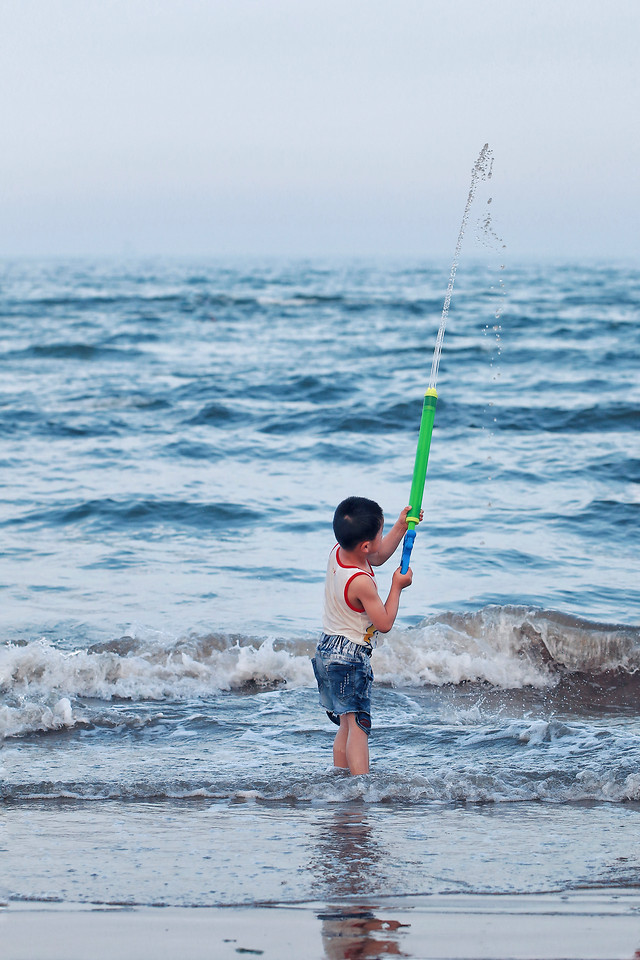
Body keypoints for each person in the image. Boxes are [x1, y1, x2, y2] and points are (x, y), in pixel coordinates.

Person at [312, 496, 419, 776]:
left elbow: (378, 555)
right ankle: (360, 788)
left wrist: (400, 526)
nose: (382, 539)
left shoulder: (340, 551)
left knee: (347, 724)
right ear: (365, 545)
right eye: (380, 533)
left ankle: (339, 780)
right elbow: (383, 622)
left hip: (326, 650)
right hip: (349, 657)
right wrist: (396, 587)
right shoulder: (361, 582)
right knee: (359, 726)